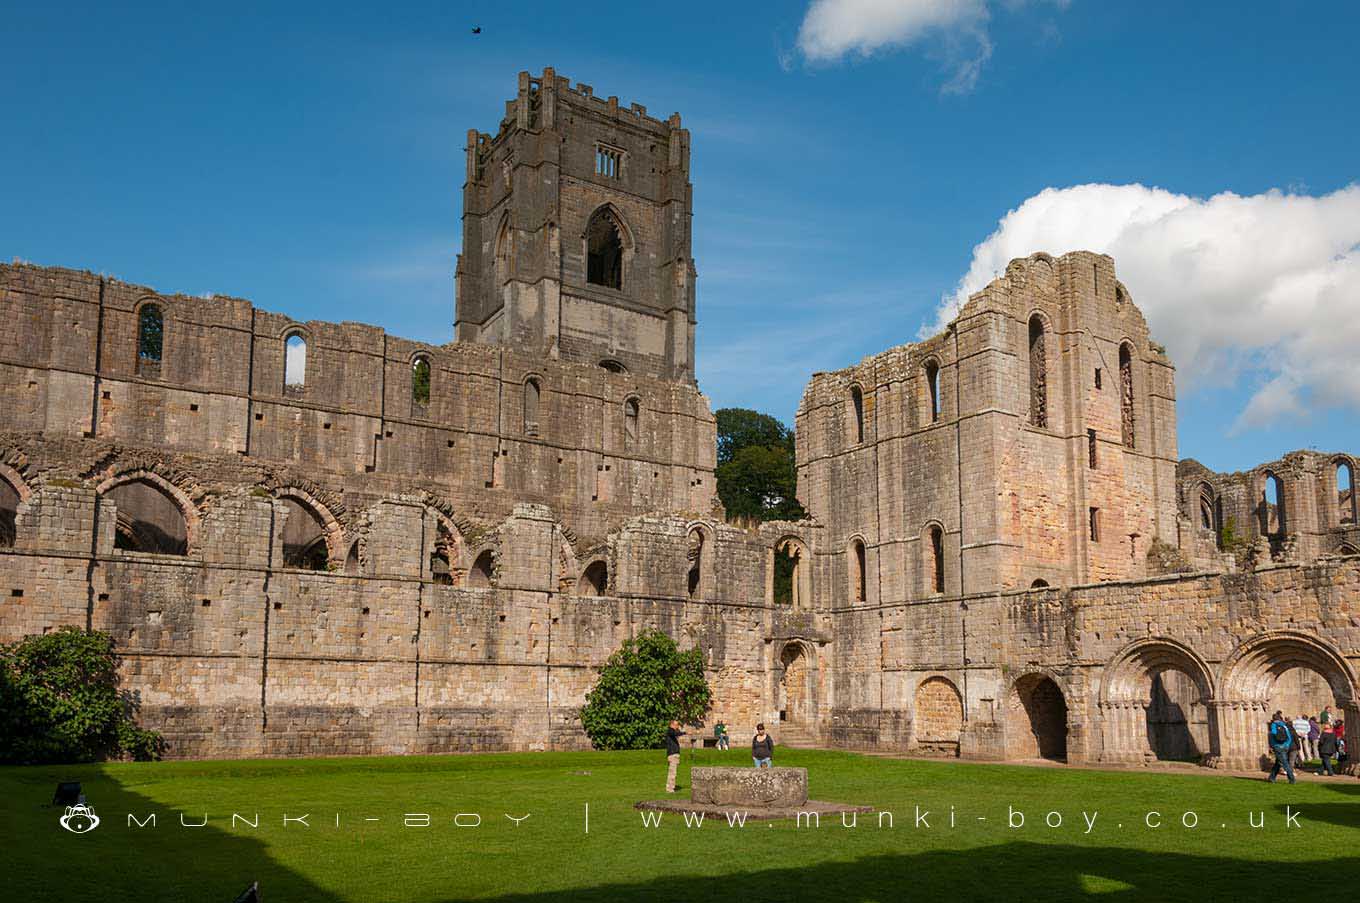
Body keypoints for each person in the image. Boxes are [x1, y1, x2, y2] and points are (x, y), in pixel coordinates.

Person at [1266, 711, 1296, 784]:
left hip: (1278, 746)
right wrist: (1287, 745)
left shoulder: (1274, 725)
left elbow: (1273, 734)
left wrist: (1273, 745)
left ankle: (1292, 779)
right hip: (1285, 746)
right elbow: (1289, 737)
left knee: (1285, 763)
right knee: (1278, 763)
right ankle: (1271, 777)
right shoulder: (1284, 725)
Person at [664, 720, 685, 793]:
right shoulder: (670, 731)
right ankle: (670, 789)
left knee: (673, 772)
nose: (677, 726)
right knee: (672, 772)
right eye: (676, 725)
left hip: (674, 754)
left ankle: (670, 787)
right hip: (672, 754)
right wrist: (684, 733)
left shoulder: (672, 732)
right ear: (671, 725)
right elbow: (675, 733)